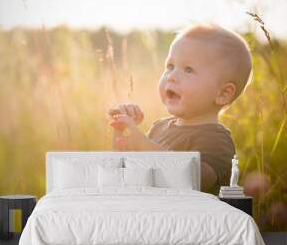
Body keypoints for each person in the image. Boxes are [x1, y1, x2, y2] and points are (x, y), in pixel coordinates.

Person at [108, 23, 252, 194]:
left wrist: (142, 143)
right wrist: (124, 136)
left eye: (188, 70)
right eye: (170, 66)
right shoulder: (158, 127)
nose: (172, 76)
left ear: (222, 93)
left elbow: (191, 179)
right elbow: (132, 173)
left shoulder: (216, 140)